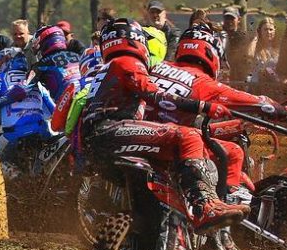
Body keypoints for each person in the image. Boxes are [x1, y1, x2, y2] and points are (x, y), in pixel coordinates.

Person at [147, 24, 287, 250]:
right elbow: (257, 102)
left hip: (137, 134)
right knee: (233, 152)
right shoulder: (202, 82)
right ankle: (220, 236)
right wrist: (285, 110)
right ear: (212, 55)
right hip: (173, 146)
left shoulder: (156, 67)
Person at [79, 18, 249, 230]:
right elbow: (157, 96)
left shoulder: (105, 68)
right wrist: (203, 106)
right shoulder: (127, 62)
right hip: (112, 130)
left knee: (179, 145)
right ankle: (204, 206)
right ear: (135, 40)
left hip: (96, 139)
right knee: (188, 136)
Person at [221, 8, 252, 82]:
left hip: (237, 76)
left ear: (239, 19)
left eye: (232, 18)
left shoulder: (242, 37)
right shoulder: (218, 35)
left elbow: (239, 58)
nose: (229, 21)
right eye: (227, 18)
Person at [249, 18, 280, 85]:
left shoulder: (278, 48)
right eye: (265, 29)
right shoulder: (255, 47)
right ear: (260, 31)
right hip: (256, 86)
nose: (268, 32)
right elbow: (249, 55)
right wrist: (256, 37)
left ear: (274, 31)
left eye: (271, 29)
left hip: (274, 86)